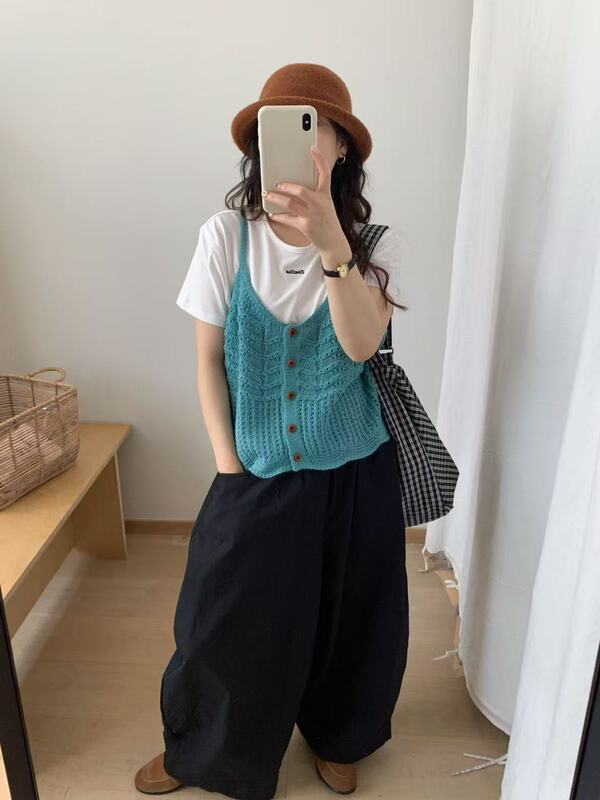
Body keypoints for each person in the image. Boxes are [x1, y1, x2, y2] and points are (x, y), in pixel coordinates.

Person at [134, 62, 410, 799]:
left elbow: (360, 347)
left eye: (317, 126)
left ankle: (340, 734)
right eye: (280, 126)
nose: (300, 140)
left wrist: (332, 245)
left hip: (354, 470)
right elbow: (206, 359)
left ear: (342, 148)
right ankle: (205, 751)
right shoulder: (225, 235)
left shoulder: (372, 244)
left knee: (351, 617)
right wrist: (228, 464)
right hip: (254, 469)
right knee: (221, 620)